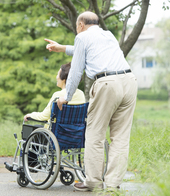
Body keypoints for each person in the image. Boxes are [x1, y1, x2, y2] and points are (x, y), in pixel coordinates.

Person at [45, 11, 138, 192]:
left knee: (95, 134)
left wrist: (67, 96)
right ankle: (112, 184)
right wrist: (63, 48)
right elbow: (86, 49)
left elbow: (76, 70)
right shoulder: (108, 35)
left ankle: (93, 182)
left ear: (80, 25)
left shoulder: (82, 37)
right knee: (120, 137)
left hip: (107, 83)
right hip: (129, 81)